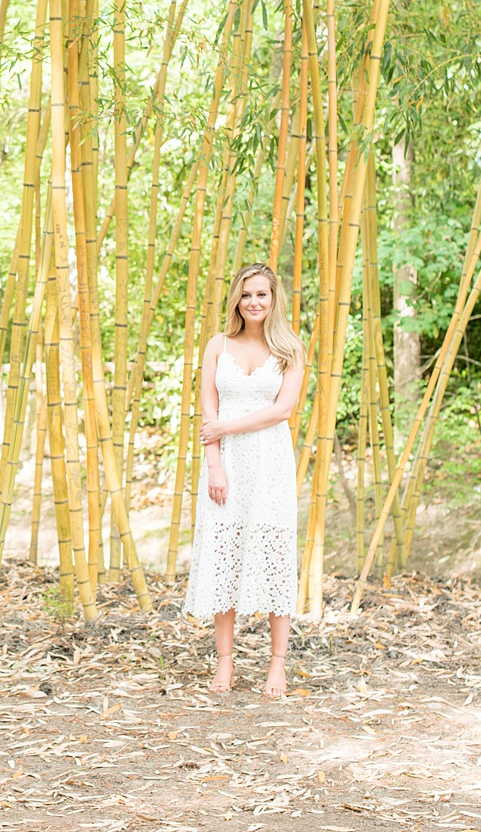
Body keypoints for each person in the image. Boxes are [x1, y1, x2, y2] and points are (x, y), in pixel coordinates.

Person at [184, 263, 305, 698]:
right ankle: (225, 664)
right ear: (236, 299)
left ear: (274, 301)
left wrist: (224, 430)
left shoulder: (290, 349)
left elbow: (282, 411)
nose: (253, 302)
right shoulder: (217, 345)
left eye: (262, 295)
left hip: (270, 462)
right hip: (226, 465)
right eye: (246, 294)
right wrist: (215, 465)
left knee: (274, 560)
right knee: (224, 559)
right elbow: (209, 412)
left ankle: (277, 666)